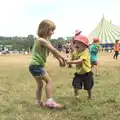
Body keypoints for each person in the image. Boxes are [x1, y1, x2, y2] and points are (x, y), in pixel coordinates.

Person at [29, 19, 66, 109]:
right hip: (37, 65)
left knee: (40, 85)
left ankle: (38, 102)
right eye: (52, 30)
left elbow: (52, 52)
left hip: (33, 66)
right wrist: (63, 58)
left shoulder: (46, 41)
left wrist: (60, 60)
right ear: (45, 29)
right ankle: (50, 102)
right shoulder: (41, 40)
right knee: (49, 81)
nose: (53, 32)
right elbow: (54, 50)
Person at [66, 35, 94, 99]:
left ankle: (90, 96)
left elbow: (80, 61)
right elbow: (71, 59)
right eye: (76, 42)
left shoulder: (85, 52)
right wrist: (67, 60)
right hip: (78, 73)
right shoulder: (75, 52)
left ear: (85, 46)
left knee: (88, 86)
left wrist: (70, 62)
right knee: (75, 85)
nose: (77, 44)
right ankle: (76, 96)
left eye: (80, 43)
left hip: (87, 73)